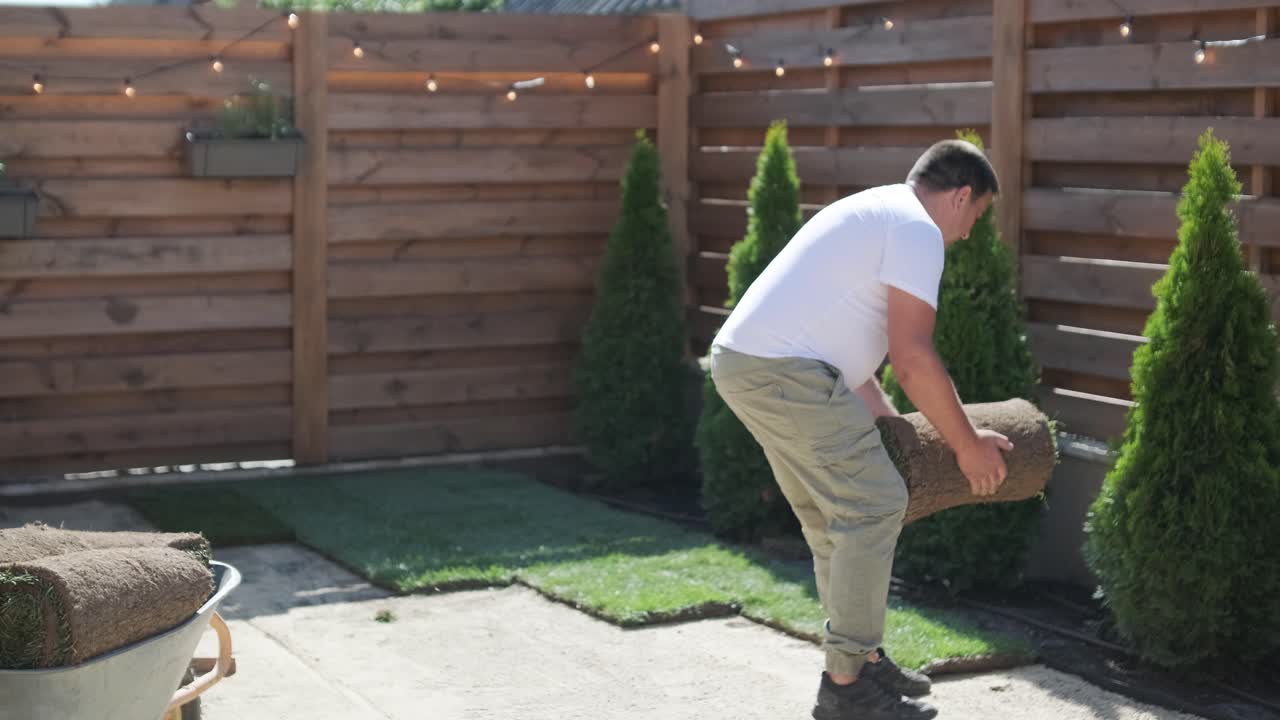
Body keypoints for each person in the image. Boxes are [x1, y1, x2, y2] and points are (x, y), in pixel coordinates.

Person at [708, 139, 1013, 720]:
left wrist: (901, 430)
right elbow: (913, 355)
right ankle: (846, 687)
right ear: (961, 195)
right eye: (975, 217)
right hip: (785, 373)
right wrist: (967, 446)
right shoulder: (917, 229)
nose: (970, 232)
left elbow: (856, 363)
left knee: (833, 522)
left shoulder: (878, 209)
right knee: (872, 505)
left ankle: (861, 662)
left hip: (751, 363)